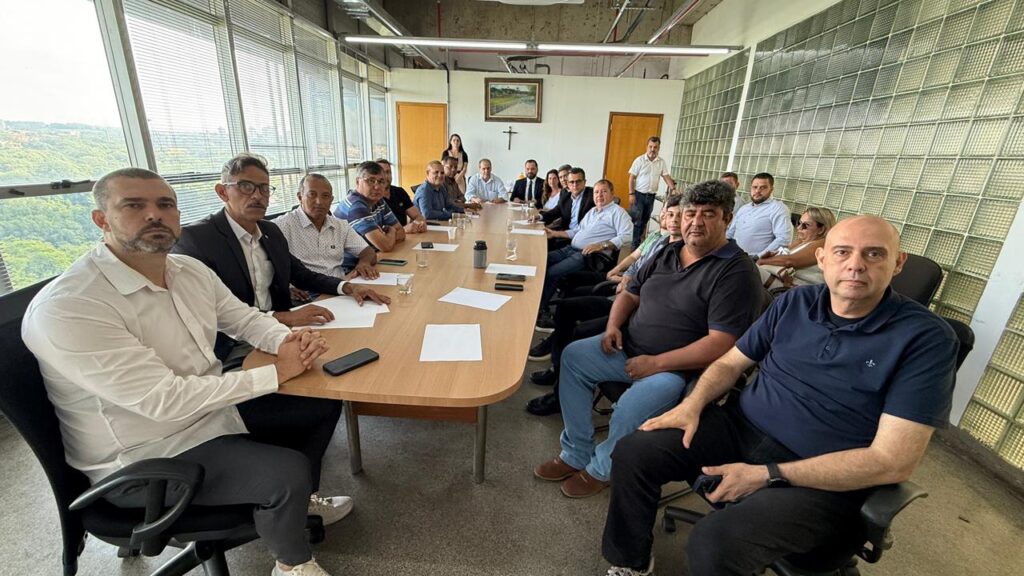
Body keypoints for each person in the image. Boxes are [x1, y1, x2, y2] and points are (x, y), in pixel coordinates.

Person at [22, 167, 356, 576]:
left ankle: (294, 504)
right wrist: (276, 374)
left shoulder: (188, 271)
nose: (154, 216)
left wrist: (286, 342)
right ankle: (292, 563)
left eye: (165, 205)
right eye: (134, 205)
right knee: (287, 472)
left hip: (209, 413)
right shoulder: (73, 305)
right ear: (101, 220)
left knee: (319, 405)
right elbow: (163, 401)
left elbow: (246, 319)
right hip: (147, 455)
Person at [601, 215, 959, 576]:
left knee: (714, 543)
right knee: (635, 451)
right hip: (741, 431)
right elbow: (730, 363)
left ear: (898, 263)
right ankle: (631, 562)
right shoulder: (795, 303)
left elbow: (892, 461)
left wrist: (767, 474)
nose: (855, 265)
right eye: (842, 252)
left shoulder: (925, 340)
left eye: (874, 254)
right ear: (821, 259)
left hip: (823, 482)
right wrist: (692, 405)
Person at [534, 181, 762, 499]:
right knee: (573, 357)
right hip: (628, 347)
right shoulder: (668, 251)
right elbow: (630, 293)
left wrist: (656, 363)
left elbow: (721, 344)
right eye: (690, 213)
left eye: (708, 214)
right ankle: (576, 452)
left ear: (727, 219)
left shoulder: (736, 272)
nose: (696, 222)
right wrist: (614, 326)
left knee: (629, 407)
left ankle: (602, 468)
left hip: (678, 370)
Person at [174, 154, 388, 362]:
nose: (257, 196)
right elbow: (214, 313)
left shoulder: (269, 231)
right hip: (234, 346)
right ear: (223, 192)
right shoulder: (197, 240)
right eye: (246, 187)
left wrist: (349, 288)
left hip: (281, 331)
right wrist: (287, 317)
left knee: (357, 348)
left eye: (264, 188)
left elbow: (301, 274)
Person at [526, 197, 681, 418]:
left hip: (630, 305)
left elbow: (649, 285)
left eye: (679, 215)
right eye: (668, 213)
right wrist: (617, 272)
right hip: (620, 288)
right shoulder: (657, 236)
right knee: (565, 307)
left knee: (577, 331)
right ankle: (555, 367)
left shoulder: (677, 251)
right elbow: (634, 257)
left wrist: (623, 281)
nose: (672, 219)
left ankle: (560, 394)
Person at [539, 176, 631, 314]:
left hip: (586, 255)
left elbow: (627, 236)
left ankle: (541, 310)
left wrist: (601, 245)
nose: (599, 195)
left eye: (604, 191)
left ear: (612, 194)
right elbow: (577, 231)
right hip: (569, 249)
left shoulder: (618, 213)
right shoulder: (592, 211)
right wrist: (554, 234)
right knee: (540, 261)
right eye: (596, 192)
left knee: (552, 272)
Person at [274, 173, 379, 282]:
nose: (319, 202)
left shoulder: (340, 226)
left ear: (331, 199)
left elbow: (368, 252)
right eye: (312, 194)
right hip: (306, 293)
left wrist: (364, 263)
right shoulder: (281, 226)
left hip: (339, 288)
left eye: (325, 196)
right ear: (300, 197)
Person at [334, 161, 407, 252]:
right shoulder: (355, 206)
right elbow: (386, 246)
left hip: (371, 257)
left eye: (381, 182)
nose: (377, 187)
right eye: (371, 181)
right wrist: (391, 230)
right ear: (357, 181)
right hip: (352, 264)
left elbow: (401, 233)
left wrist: (385, 238)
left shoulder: (378, 200)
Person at [759, 207, 836, 289]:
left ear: (821, 229)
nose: (799, 228)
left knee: (748, 267)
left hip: (797, 290)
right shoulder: (802, 241)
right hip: (782, 283)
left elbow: (789, 261)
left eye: (805, 225)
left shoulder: (822, 244)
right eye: (799, 223)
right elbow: (783, 258)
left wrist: (760, 261)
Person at [726, 172, 792, 258]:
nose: (757, 191)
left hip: (756, 261)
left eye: (763, 187)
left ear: (771, 189)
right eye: (755, 187)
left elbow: (783, 239)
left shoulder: (778, 208)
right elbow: (730, 233)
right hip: (732, 256)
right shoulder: (744, 208)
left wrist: (758, 256)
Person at [628, 136, 677, 248]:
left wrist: (674, 189)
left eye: (655, 147)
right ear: (647, 147)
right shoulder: (639, 160)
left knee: (645, 220)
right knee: (637, 221)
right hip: (639, 195)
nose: (652, 149)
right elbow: (631, 178)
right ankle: (634, 246)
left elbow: (666, 176)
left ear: (658, 148)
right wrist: (631, 194)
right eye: (650, 146)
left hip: (651, 197)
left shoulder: (661, 162)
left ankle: (641, 244)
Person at [540, 167, 595, 242]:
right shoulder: (565, 194)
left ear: (584, 182)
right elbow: (556, 211)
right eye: (572, 182)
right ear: (568, 183)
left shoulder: (593, 194)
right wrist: (539, 217)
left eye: (578, 181)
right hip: (565, 233)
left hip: (581, 237)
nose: (575, 185)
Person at [377, 158, 427, 234]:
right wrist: (404, 230)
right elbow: (379, 233)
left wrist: (419, 224)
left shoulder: (399, 192)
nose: (385, 177)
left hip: (406, 237)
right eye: (382, 173)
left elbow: (417, 216)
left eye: (388, 172)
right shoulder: (373, 198)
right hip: (388, 240)